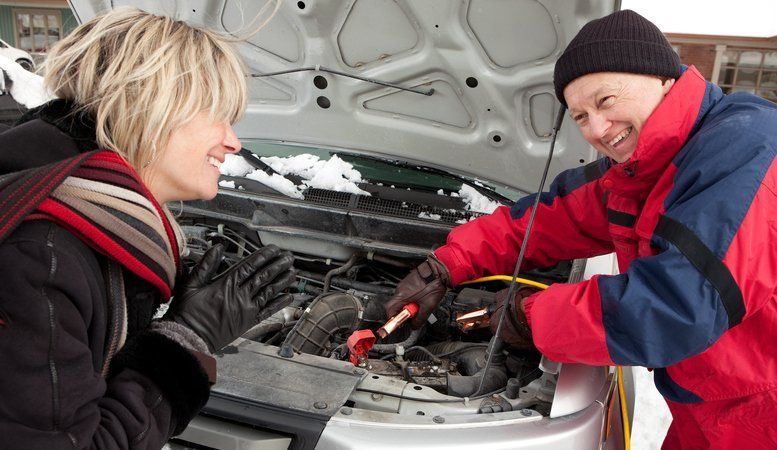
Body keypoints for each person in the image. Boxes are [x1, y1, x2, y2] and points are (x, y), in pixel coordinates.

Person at [385, 9, 777, 449]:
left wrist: (530, 315)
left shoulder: (746, 153)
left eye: (605, 101)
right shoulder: (646, 167)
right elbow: (554, 216)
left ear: (663, 77)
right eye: (580, 116)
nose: (598, 129)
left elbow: (677, 307)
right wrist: (445, 265)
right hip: (713, 406)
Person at [0, 8, 296, 448]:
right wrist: (185, 341)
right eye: (218, 116)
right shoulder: (39, 256)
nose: (233, 142)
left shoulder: (93, 218)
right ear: (153, 107)